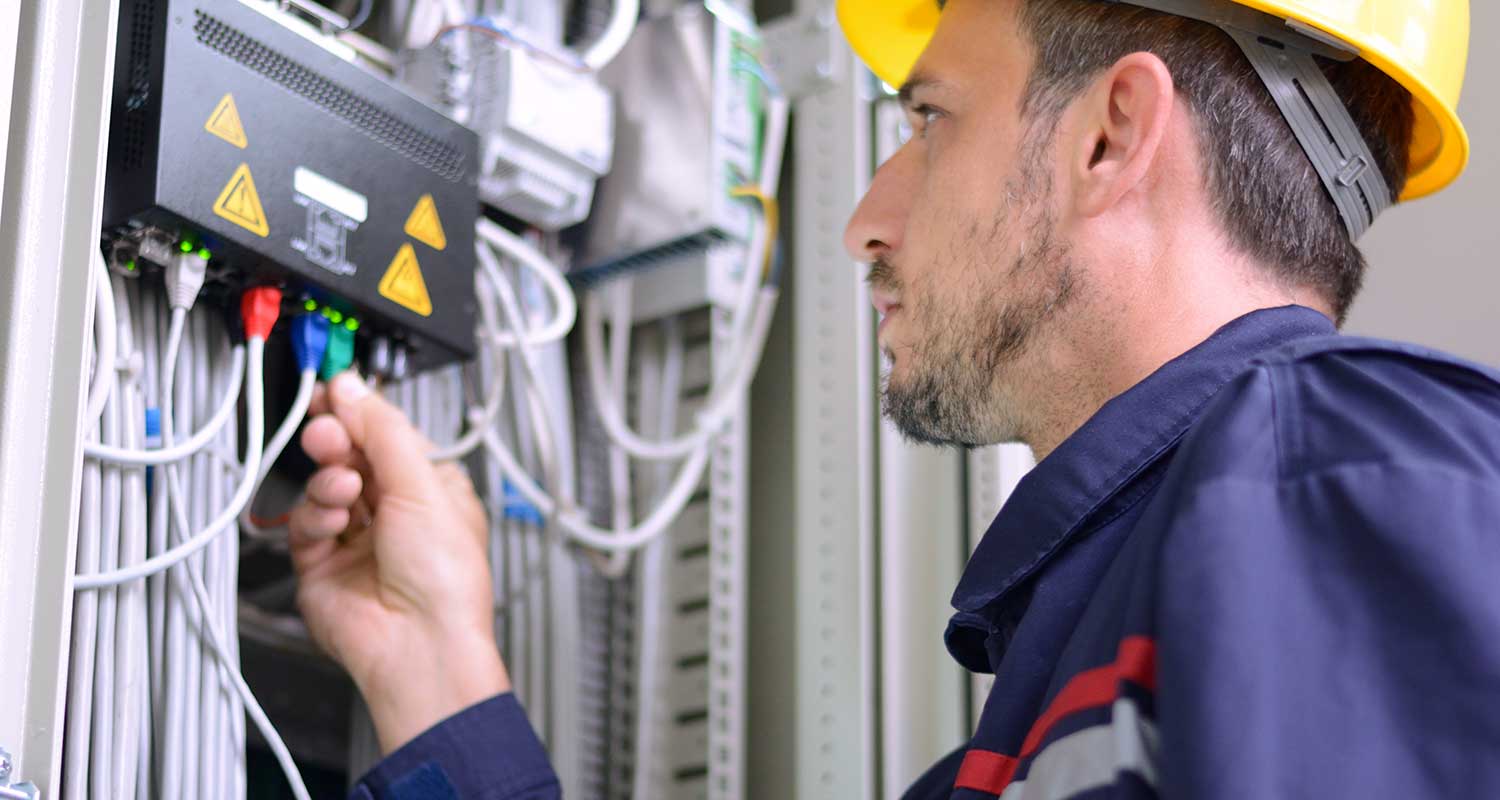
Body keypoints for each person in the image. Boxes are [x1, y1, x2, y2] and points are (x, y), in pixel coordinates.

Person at [289, 0, 1500, 797]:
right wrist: (435, 661)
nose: (866, 220)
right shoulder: (1028, 724)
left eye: (931, 117)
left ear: (1111, 134)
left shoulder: (1350, 471)